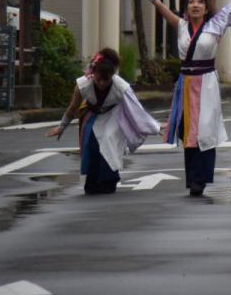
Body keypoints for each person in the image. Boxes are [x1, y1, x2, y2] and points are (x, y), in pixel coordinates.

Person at [125, 0, 231, 196]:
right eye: (191, 2)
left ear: (206, 8)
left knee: (205, 132)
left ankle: (201, 179)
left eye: (200, 2)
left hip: (207, 84)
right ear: (186, 8)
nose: (195, 5)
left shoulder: (216, 24)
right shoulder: (181, 25)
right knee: (188, 132)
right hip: (185, 84)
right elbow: (159, 6)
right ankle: (193, 179)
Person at [46, 49, 160, 194]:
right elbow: (72, 108)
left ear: (112, 76)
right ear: (93, 73)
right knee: (91, 144)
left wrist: (154, 127)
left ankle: (109, 180)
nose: (101, 83)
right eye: (98, 78)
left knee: (108, 139)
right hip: (92, 115)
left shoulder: (121, 87)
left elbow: (136, 110)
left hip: (114, 115)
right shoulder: (83, 85)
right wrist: (61, 127)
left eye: (106, 80)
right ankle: (92, 181)